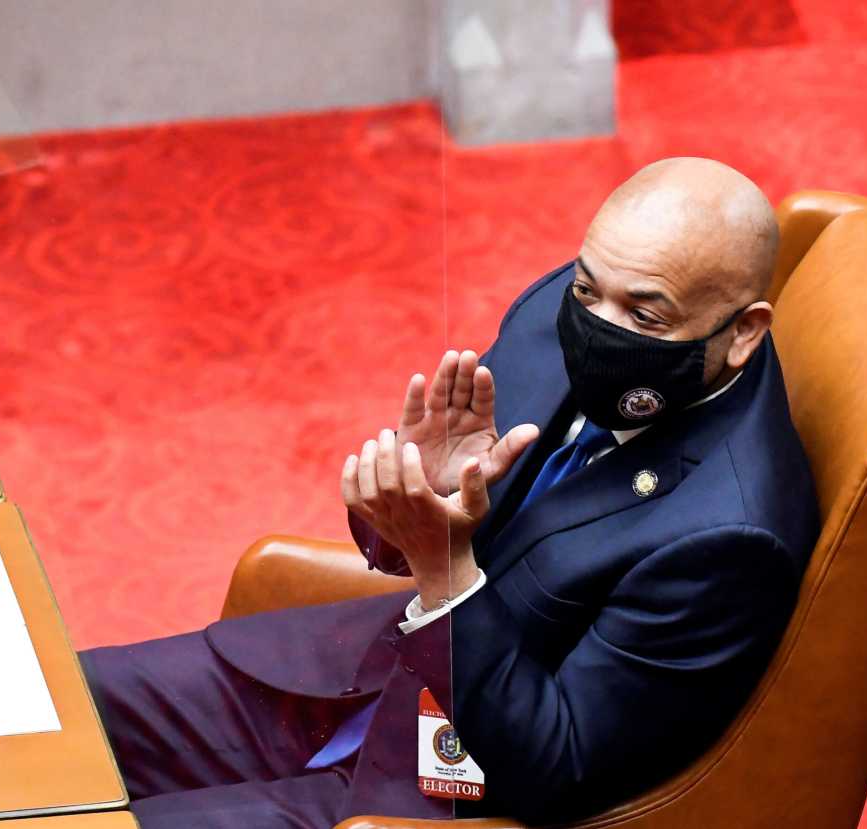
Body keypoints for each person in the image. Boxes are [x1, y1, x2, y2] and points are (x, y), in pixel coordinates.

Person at [78, 157, 820, 829]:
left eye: (643, 314)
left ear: (744, 332)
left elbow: (554, 769)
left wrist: (448, 571)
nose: (596, 326)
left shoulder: (731, 538)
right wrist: (415, 499)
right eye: (589, 289)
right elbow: (428, 533)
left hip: (444, 788)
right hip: (346, 676)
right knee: (48, 710)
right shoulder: (568, 309)